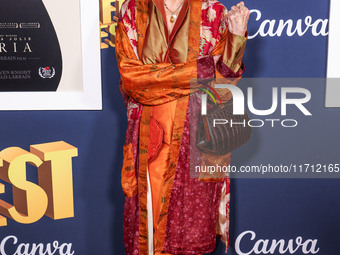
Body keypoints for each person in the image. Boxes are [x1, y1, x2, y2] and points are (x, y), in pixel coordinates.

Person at [115, 0, 250, 254]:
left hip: (196, 142)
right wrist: (203, 69)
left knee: (190, 235)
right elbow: (134, 81)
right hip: (150, 141)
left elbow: (223, 85)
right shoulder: (134, 10)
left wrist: (237, 37)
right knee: (149, 234)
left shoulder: (214, 13)